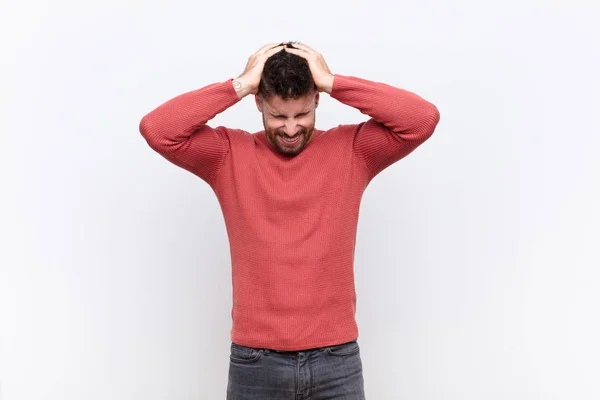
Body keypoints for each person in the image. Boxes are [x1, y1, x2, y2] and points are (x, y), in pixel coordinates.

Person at [139, 42, 440, 400]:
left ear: (316, 101)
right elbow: (157, 129)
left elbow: (422, 119)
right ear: (258, 103)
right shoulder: (227, 155)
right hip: (256, 363)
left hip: (336, 359)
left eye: (302, 114)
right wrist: (238, 84)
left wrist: (332, 82)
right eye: (278, 116)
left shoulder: (353, 150)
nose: (292, 129)